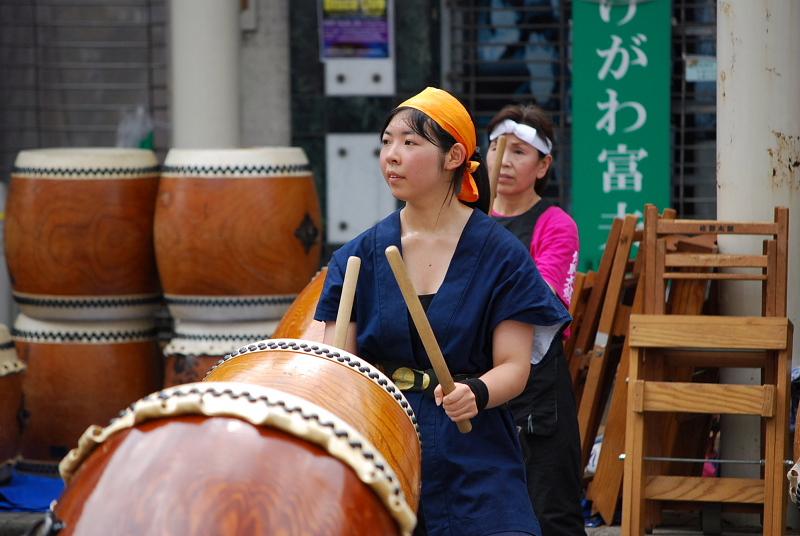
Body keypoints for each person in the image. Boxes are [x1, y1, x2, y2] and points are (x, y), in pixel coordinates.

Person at [314, 87, 571, 536]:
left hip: (475, 451)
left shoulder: (502, 256)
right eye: (387, 141)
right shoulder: (357, 257)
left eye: (410, 143)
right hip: (386, 449)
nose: (391, 155)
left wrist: (478, 391)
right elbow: (338, 367)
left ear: (454, 157)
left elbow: (515, 365)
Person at [486, 103, 585, 535]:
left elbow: (541, 302)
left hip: (537, 394)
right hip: (472, 384)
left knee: (551, 516)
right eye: (495, 148)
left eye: (520, 152)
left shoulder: (555, 223)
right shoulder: (459, 221)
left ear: (543, 165)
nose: (504, 161)